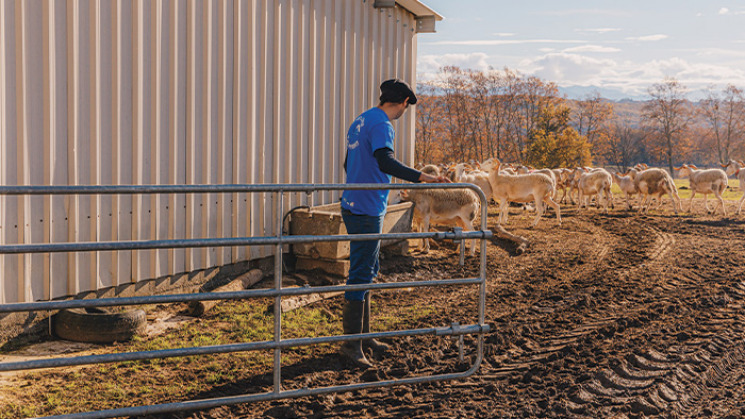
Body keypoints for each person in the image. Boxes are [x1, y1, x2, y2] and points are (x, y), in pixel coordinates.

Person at [340, 79, 449, 367]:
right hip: (367, 207)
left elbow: (346, 163)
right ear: (401, 102)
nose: (404, 111)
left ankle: (364, 337)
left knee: (367, 268)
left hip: (353, 203)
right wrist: (424, 178)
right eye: (405, 106)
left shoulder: (361, 120)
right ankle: (351, 345)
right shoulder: (383, 125)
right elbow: (386, 161)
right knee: (362, 272)